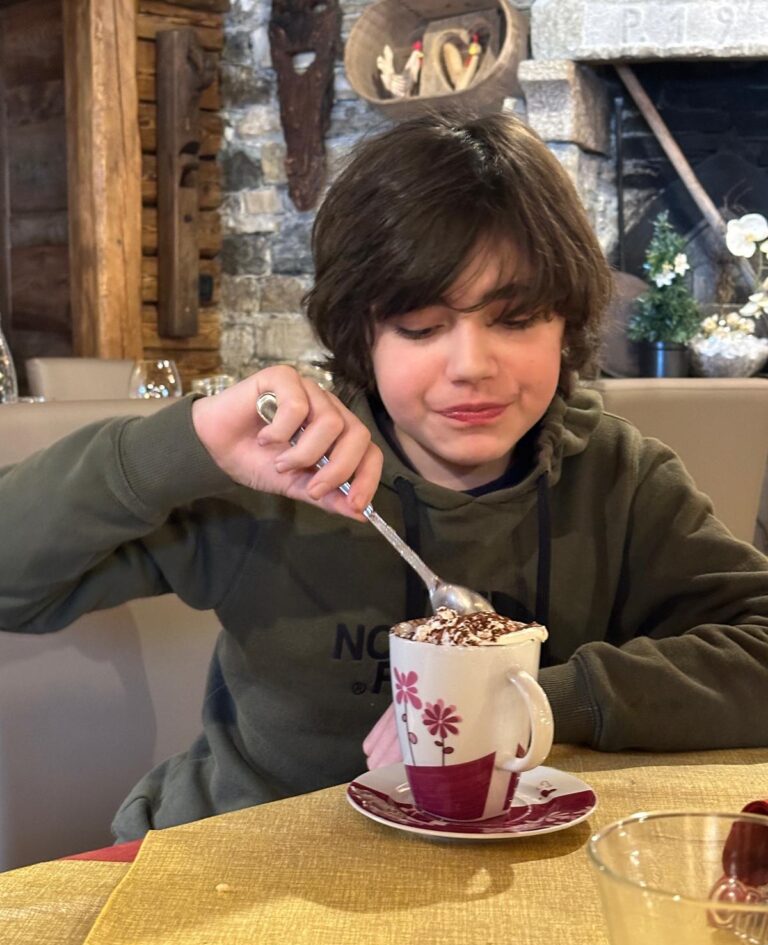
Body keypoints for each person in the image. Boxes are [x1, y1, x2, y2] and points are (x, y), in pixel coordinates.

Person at [1, 113, 767, 843]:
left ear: (567, 325)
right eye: (422, 327)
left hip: (502, 878)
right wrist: (189, 439)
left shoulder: (616, 478)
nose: (471, 366)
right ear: (362, 335)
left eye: (516, 317)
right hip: (242, 863)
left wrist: (542, 703)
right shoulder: (282, 469)